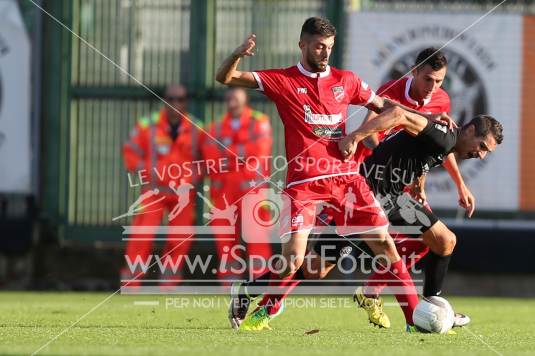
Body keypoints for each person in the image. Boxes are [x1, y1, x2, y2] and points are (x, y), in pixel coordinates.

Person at [216, 17, 453, 331]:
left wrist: (429, 121)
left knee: (384, 243)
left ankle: (414, 319)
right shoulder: (281, 80)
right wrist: (235, 55)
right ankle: (246, 290)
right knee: (294, 262)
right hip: (303, 183)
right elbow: (225, 77)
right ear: (302, 45)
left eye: (328, 47)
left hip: (347, 181)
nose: (324, 52)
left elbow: (388, 108)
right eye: (318, 46)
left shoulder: (347, 81)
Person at [120, 84, 202, 288]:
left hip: (183, 193)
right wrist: (149, 172)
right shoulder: (148, 124)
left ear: (186, 102)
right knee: (141, 235)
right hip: (153, 191)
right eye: (171, 99)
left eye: (180, 99)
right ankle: (131, 281)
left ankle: (169, 282)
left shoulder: (197, 127)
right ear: (164, 100)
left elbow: (209, 158)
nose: (175, 103)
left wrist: (194, 176)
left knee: (181, 237)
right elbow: (130, 153)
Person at [201, 87, 273, 281]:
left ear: (245, 101)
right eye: (230, 98)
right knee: (225, 239)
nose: (232, 102)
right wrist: (240, 155)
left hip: (252, 190)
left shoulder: (259, 122)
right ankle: (229, 281)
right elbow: (210, 157)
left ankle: (261, 280)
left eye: (236, 98)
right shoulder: (215, 127)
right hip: (223, 191)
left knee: (257, 236)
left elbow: (259, 150)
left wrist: (227, 153)